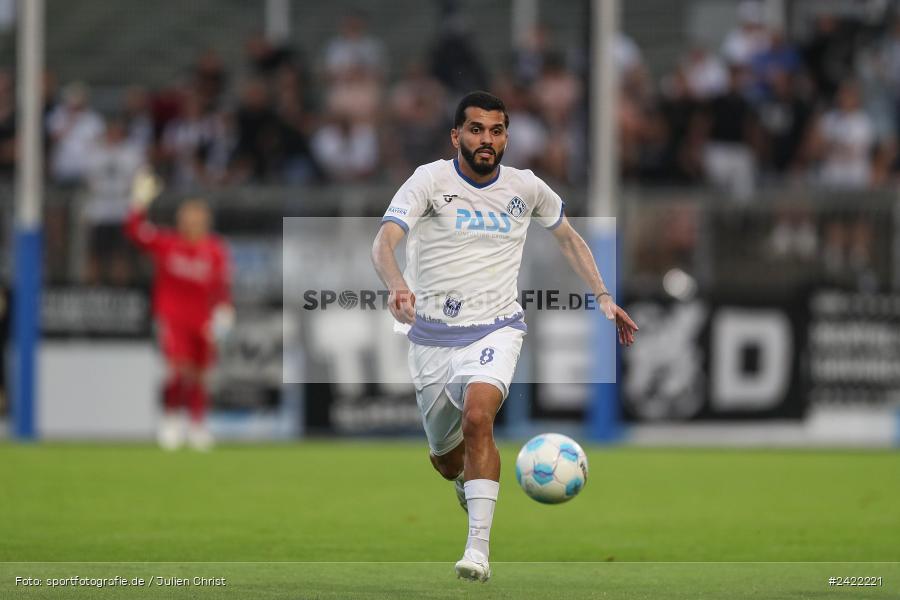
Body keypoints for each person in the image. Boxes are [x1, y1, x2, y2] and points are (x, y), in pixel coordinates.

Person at [371, 91, 637, 582]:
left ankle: (478, 550)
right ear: (456, 136)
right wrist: (397, 284)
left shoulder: (527, 188)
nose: (486, 139)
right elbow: (384, 240)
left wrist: (602, 295)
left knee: (479, 416)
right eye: (476, 129)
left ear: (506, 137)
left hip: (497, 326)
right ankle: (465, 480)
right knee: (446, 461)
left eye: (496, 130)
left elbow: (569, 239)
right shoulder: (429, 180)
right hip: (430, 336)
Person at [124, 169, 233, 450]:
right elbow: (136, 233)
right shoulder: (168, 243)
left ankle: (197, 425)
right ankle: (171, 420)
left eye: (198, 217)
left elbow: (221, 286)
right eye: (188, 216)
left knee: (200, 373)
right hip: (172, 317)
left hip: (202, 320)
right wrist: (138, 204)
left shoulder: (215, 249)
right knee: (177, 370)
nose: (193, 221)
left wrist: (224, 311)